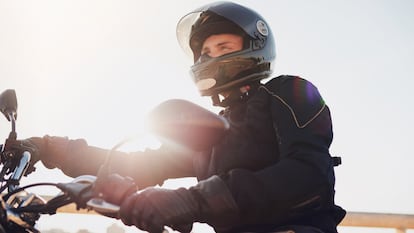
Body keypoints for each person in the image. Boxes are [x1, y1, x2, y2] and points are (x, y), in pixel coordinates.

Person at [17, 1, 346, 233]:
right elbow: (140, 165)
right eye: (205, 52)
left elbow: (308, 175)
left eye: (223, 46)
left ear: (253, 46)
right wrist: (49, 147)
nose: (211, 57)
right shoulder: (212, 130)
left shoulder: (288, 91)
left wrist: (192, 200)